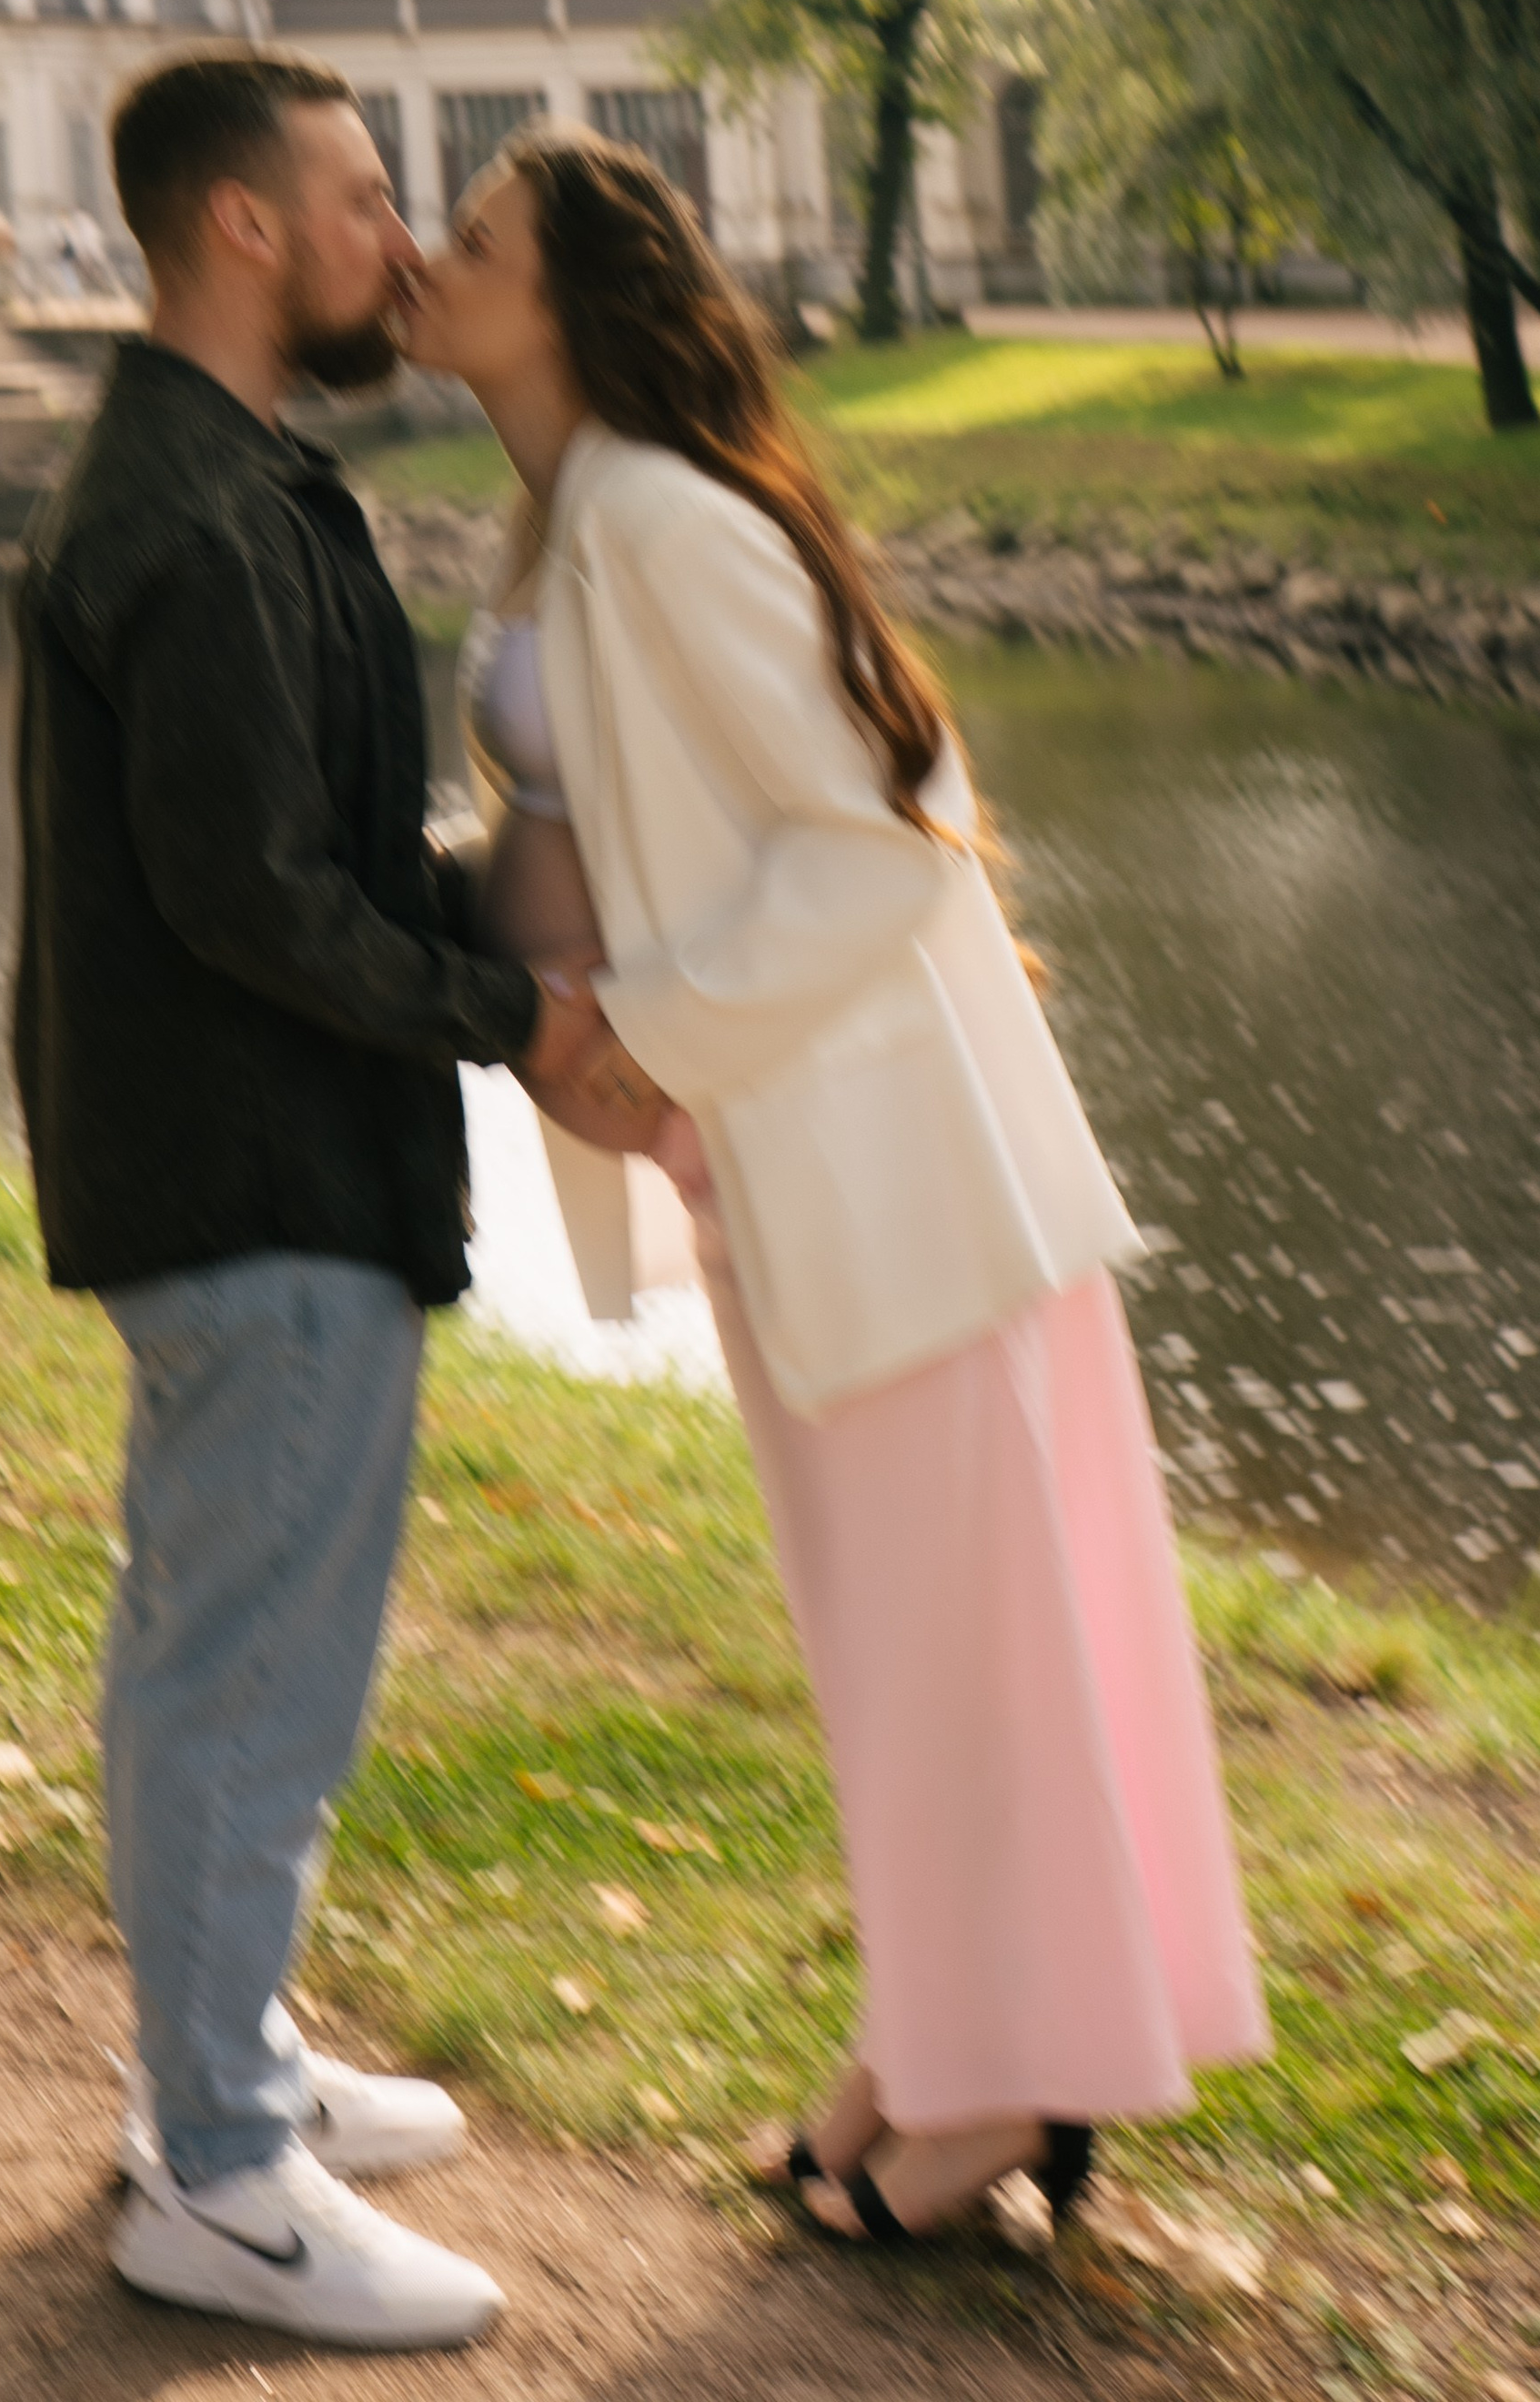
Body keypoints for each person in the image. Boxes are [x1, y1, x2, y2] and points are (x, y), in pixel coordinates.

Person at [401, 125, 1268, 2252]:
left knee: (961, 1653)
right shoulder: (568, 524)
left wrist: (652, 1028)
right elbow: (605, 833)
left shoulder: (661, 519)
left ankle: (1007, 2079)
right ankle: (947, 2033)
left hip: (899, 1183)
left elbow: (883, 839)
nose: (433, 256)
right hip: (781, 1167)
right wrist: (564, 1033)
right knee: (899, 1653)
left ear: (573, 296)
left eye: (477, 238)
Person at [11, 47, 646, 2351]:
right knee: (240, 1673)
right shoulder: (184, 518)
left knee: (243, 1648)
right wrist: (521, 1023)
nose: (401, 239)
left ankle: (223, 2066)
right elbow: (253, 903)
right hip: (251, 1176)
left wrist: (530, 915)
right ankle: (216, 2172)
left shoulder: (236, 483)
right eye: (368, 196)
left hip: (266, 1165)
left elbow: (316, 863)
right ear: (247, 229)